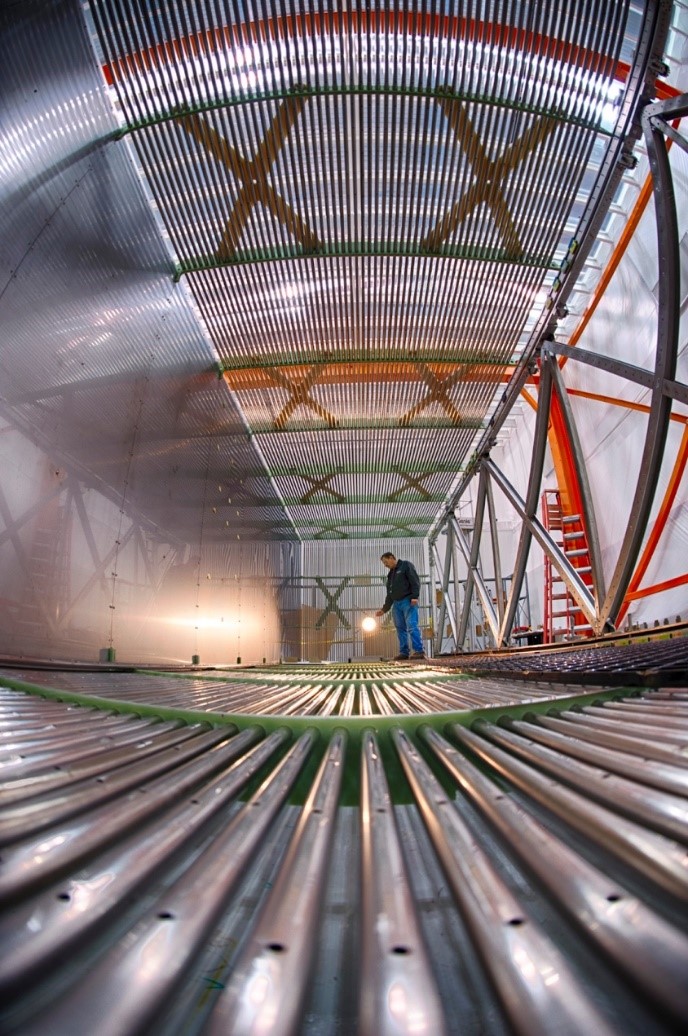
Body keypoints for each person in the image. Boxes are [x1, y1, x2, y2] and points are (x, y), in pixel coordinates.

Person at [375, 552, 425, 661]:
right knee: (400, 628)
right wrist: (384, 609)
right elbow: (390, 593)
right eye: (384, 563)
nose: (385, 565)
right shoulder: (390, 574)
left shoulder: (405, 565)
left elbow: (415, 581)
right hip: (396, 604)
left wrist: (414, 597)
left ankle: (419, 650)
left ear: (392, 558)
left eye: (386, 562)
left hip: (408, 601)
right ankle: (404, 652)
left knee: (411, 625)